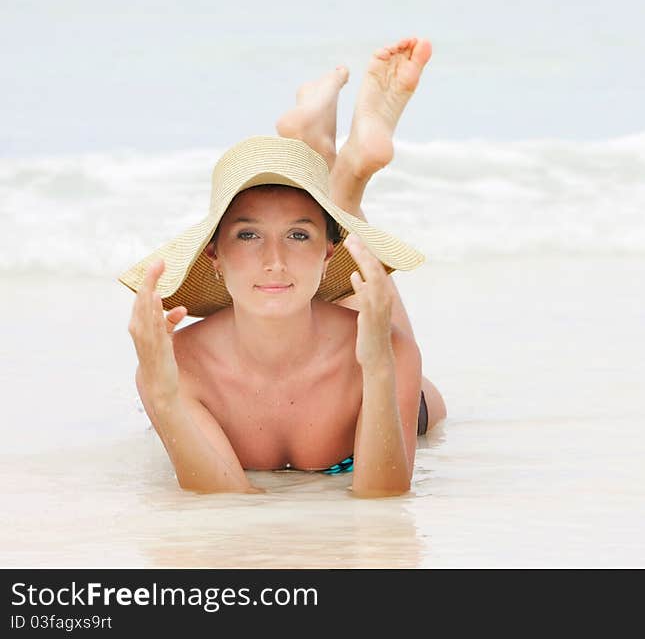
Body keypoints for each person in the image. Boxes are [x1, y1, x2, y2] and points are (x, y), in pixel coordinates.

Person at [122, 37, 446, 498]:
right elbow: (226, 503)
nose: (273, 260)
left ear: (328, 252)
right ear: (213, 254)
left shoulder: (387, 350)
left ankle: (345, 181)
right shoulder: (176, 364)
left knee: (391, 342)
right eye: (248, 235)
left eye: (299, 235)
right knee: (299, 292)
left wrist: (377, 366)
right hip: (269, 331)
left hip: (356, 352)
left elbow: (384, 499)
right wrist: (160, 393)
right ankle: (339, 168)